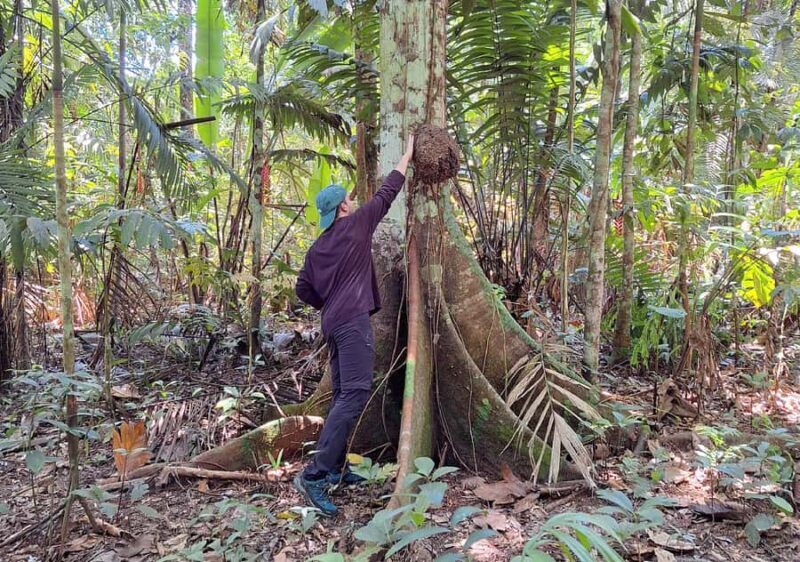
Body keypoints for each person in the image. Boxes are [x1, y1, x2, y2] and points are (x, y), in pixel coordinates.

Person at [293, 136, 415, 516]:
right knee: (355, 394)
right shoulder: (357, 225)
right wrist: (407, 154)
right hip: (351, 323)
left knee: (344, 392)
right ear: (344, 207)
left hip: (332, 322)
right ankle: (314, 475)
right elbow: (387, 193)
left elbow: (301, 288)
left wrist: (327, 302)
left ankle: (337, 467)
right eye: (348, 199)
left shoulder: (317, 248)